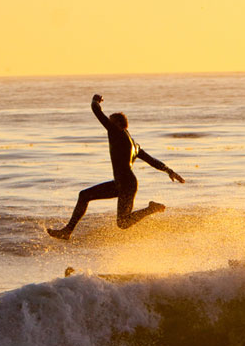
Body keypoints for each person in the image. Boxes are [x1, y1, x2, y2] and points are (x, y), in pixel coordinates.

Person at [47, 94, 185, 239]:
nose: (108, 125)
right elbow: (151, 160)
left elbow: (97, 112)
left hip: (125, 183)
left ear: (119, 124)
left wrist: (95, 100)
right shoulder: (133, 144)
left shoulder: (116, 133)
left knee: (122, 222)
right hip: (125, 183)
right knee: (86, 197)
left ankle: (151, 209)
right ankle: (67, 231)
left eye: (111, 122)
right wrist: (169, 170)